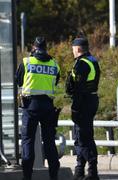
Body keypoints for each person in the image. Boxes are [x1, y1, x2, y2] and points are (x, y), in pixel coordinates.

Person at [16, 36, 60, 180]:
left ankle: (27, 176)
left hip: (30, 106)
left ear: (34, 48)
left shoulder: (27, 62)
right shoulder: (54, 64)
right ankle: (54, 176)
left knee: (28, 140)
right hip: (48, 106)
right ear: (46, 48)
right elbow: (56, 81)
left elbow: (18, 80)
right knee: (49, 141)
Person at [66, 37, 100, 180]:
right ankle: (79, 170)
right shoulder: (92, 60)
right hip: (91, 99)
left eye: (73, 48)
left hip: (83, 102)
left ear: (78, 49)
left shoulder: (82, 64)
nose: (72, 51)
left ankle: (92, 172)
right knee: (83, 136)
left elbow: (78, 89)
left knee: (83, 138)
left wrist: (75, 108)